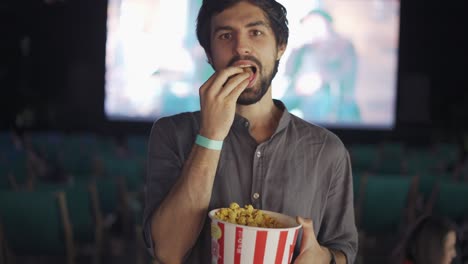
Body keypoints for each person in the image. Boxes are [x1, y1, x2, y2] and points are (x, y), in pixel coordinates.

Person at [143, 0, 358, 263]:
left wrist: (324, 258)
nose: (241, 47)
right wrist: (209, 136)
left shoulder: (328, 149)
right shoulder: (171, 134)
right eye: (225, 35)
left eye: (256, 32)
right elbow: (168, 251)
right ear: (209, 55)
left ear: (280, 47)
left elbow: (343, 250)